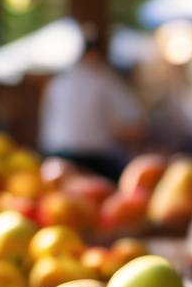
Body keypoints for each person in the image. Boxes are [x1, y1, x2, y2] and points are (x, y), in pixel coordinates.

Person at [39, 35, 146, 180]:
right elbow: (133, 124)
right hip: (95, 158)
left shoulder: (59, 82)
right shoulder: (104, 80)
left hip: (56, 154)